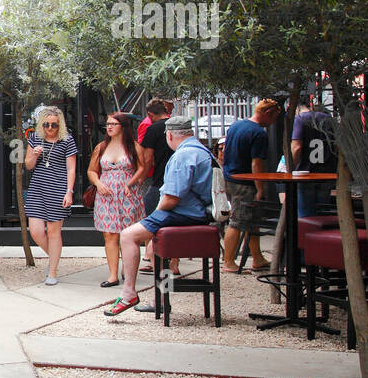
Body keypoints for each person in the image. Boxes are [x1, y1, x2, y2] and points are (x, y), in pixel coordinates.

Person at [104, 116, 216, 316]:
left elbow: (171, 198)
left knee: (128, 235)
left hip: (182, 213)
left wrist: (153, 217)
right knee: (154, 247)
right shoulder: (202, 150)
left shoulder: (183, 156)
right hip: (198, 213)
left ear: (170, 135)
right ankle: (161, 299)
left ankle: (129, 292)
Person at [221, 98, 282, 272]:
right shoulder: (259, 133)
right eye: (274, 117)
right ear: (268, 113)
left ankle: (257, 258)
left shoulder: (236, 126)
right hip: (245, 183)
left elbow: (225, 152)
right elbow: (257, 163)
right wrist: (260, 188)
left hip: (230, 178)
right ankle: (228, 261)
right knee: (237, 221)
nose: (273, 122)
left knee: (251, 219)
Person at [87, 112, 147, 287]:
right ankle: (113, 274)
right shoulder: (102, 147)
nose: (110, 127)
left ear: (123, 126)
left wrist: (131, 183)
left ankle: (127, 271)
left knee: (128, 234)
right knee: (109, 234)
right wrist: (98, 183)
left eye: (114, 124)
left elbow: (143, 168)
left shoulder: (134, 147)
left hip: (128, 194)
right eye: (108, 124)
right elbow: (91, 170)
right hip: (106, 194)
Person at [23, 106, 78, 286]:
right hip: (37, 188)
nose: (50, 128)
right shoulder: (35, 138)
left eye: (54, 125)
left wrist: (69, 191)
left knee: (54, 232)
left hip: (58, 188)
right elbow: (28, 165)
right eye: (46, 124)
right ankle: (54, 258)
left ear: (59, 124)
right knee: (36, 231)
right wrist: (35, 155)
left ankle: (52, 271)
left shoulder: (67, 140)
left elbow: (71, 168)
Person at [135, 98, 174, 272]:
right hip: (177, 180)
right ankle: (172, 264)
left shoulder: (153, 128)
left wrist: (141, 178)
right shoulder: (176, 126)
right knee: (171, 219)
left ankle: (155, 259)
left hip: (159, 180)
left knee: (150, 217)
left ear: (150, 114)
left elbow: (147, 158)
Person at [291, 101, 337, 216]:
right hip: (326, 173)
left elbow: (296, 148)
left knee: (305, 213)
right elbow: (338, 147)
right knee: (323, 212)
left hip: (305, 173)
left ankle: (306, 233)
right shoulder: (330, 120)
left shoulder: (300, 119)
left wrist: (292, 168)